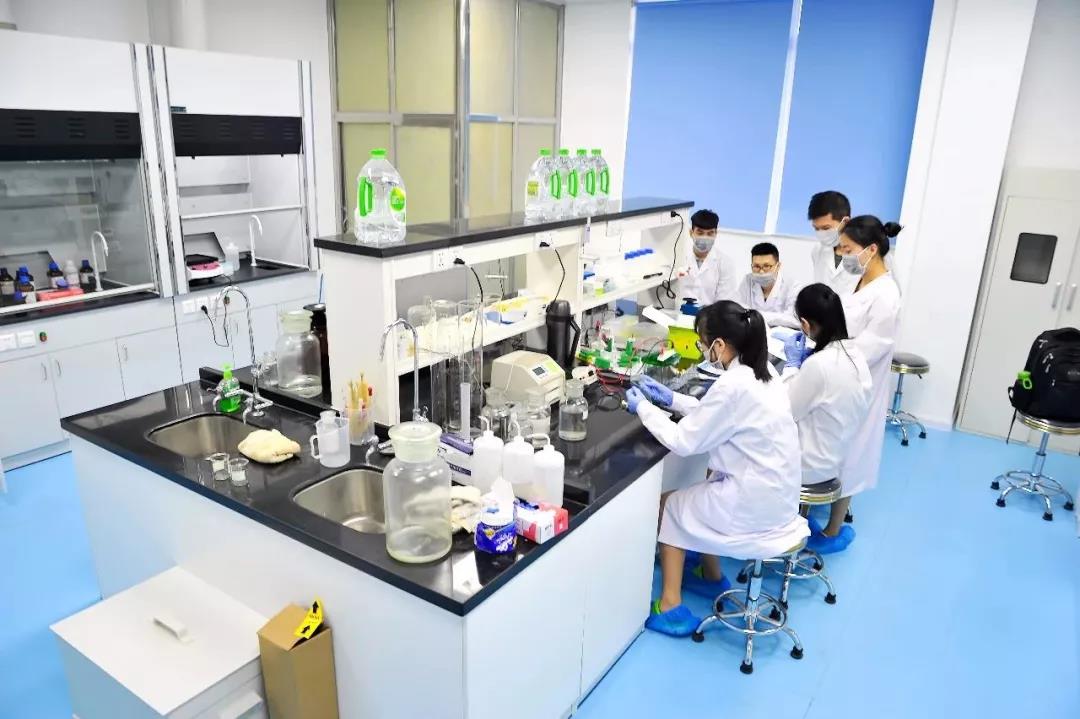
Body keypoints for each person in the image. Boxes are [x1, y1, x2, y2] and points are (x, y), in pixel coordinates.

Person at [626, 301, 808, 637]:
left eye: (702, 343)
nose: (701, 349)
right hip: (778, 498)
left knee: (670, 506)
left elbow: (683, 441)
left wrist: (643, 410)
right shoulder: (763, 374)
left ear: (719, 345)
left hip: (753, 506)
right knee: (706, 487)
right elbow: (719, 413)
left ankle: (670, 606)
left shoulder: (732, 384)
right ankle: (710, 575)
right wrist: (670, 399)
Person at [780, 284, 873, 554]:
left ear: (806, 325)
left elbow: (786, 410)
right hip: (837, 459)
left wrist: (792, 367)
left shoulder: (819, 365)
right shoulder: (855, 355)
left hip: (806, 465)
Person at [831, 216, 902, 539]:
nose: (842, 254)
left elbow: (870, 349)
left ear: (871, 249)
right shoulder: (860, 280)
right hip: (840, 377)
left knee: (852, 454)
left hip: (860, 384)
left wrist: (827, 356)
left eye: (847, 249)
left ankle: (833, 530)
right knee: (834, 449)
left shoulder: (886, 295)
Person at [808, 190, 900, 295]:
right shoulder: (817, 250)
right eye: (816, 228)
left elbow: (891, 294)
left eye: (826, 228)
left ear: (845, 222)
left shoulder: (873, 254)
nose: (821, 234)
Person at [679, 209, 739, 308]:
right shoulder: (679, 257)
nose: (705, 237)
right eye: (700, 233)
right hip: (678, 313)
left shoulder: (725, 263)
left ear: (716, 234)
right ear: (691, 233)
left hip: (710, 316)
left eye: (710, 233)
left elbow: (724, 303)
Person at [735, 242, 801, 329]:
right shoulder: (748, 280)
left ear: (778, 266)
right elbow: (738, 311)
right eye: (756, 266)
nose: (761, 272)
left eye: (766, 266)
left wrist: (755, 315)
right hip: (752, 332)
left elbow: (794, 320)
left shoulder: (792, 285)